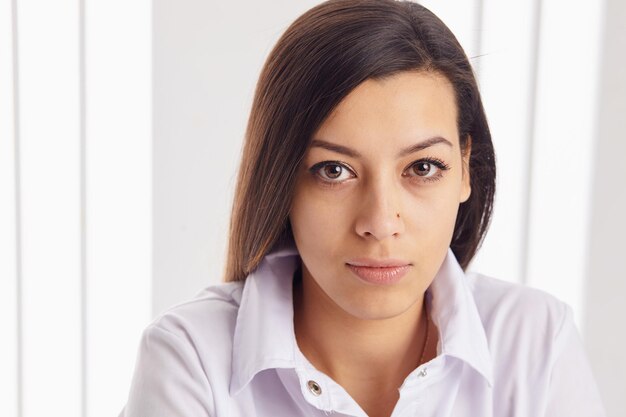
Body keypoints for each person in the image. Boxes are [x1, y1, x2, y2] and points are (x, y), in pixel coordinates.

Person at [119, 0, 607, 416]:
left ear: (464, 168)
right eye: (334, 170)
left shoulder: (536, 344)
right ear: (281, 180)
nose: (379, 222)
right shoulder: (191, 358)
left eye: (422, 168)